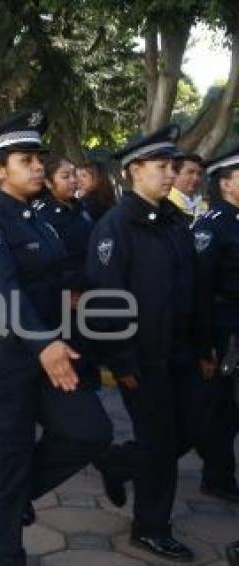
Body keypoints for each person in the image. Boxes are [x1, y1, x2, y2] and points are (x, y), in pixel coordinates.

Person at [0, 111, 112, 565]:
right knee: (9, 456)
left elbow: (56, 276)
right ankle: (6, 551)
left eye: (37, 159)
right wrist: (44, 343)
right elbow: (1, 289)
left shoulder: (39, 219)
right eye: (25, 160)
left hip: (51, 351)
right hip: (5, 358)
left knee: (91, 431)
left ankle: (16, 496)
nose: (36, 167)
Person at [87, 125, 202, 562]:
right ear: (135, 170)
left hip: (180, 352)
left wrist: (202, 346)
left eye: (174, 166)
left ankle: (119, 464)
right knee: (158, 442)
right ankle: (151, 527)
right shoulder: (115, 227)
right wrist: (121, 360)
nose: (171, 174)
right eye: (162, 167)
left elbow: (190, 288)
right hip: (141, 357)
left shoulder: (174, 222)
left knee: (191, 430)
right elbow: (104, 301)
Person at [190, 146, 239, 503]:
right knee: (219, 409)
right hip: (225, 329)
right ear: (225, 184)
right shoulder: (212, 227)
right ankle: (217, 474)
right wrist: (204, 344)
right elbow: (202, 289)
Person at [35, 155, 101, 390]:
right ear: (49, 183)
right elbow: (47, 265)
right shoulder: (41, 216)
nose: (74, 181)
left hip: (88, 303)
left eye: (75, 175)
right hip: (61, 308)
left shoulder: (81, 209)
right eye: (65, 176)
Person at [169, 152, 208, 223]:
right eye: (190, 172)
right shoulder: (165, 203)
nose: (196, 178)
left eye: (199, 174)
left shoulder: (206, 207)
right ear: (175, 174)